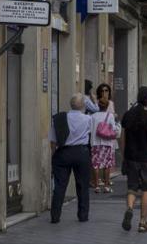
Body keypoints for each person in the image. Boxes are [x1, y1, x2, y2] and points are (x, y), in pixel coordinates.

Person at [120, 87, 147, 233]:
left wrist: (124, 155)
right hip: (146, 158)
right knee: (146, 189)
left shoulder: (128, 114)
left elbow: (122, 138)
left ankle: (130, 208)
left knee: (132, 187)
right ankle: (143, 222)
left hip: (131, 157)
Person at [49, 93, 92, 224]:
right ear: (83, 106)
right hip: (81, 153)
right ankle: (83, 215)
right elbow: (92, 136)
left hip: (63, 153)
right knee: (83, 185)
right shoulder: (87, 119)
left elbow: (53, 140)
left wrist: (53, 155)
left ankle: (55, 216)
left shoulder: (60, 118)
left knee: (60, 185)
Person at [90, 97, 119, 193]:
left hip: (95, 143)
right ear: (107, 106)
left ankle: (97, 186)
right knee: (107, 165)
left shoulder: (93, 116)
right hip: (107, 143)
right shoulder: (110, 116)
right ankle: (106, 186)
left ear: (98, 105)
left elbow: (90, 130)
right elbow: (114, 129)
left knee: (96, 165)